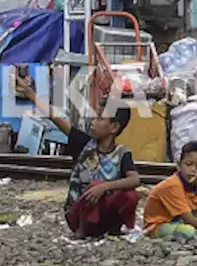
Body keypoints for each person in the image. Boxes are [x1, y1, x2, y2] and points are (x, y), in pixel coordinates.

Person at [15, 74, 141, 238]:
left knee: (130, 195)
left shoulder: (122, 153)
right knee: (93, 186)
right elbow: (56, 118)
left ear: (114, 127)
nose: (93, 122)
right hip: (78, 213)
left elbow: (135, 180)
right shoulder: (84, 145)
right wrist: (31, 95)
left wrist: (104, 187)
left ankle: (115, 229)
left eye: (99, 118)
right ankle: (82, 232)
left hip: (104, 215)